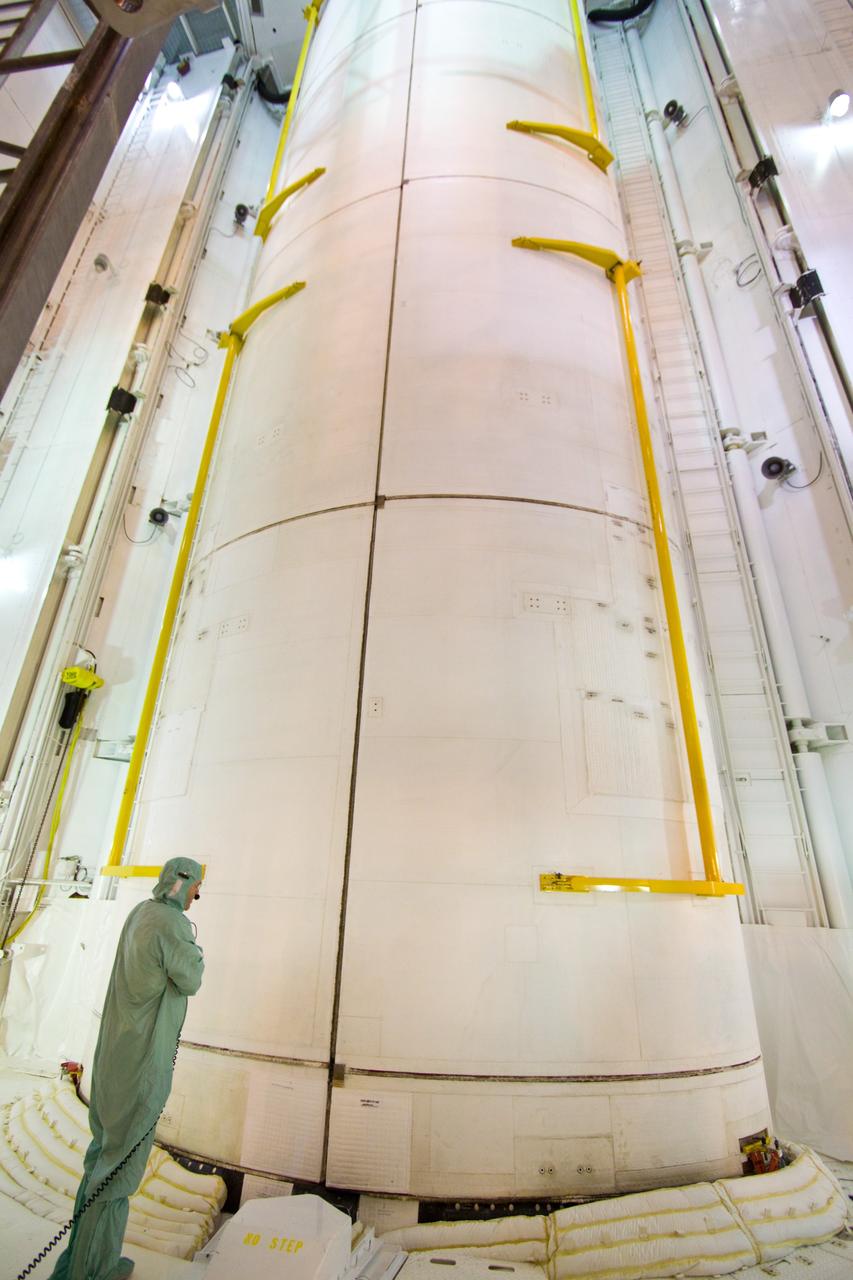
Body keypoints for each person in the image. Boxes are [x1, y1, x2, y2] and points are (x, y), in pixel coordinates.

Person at [51, 857, 205, 1280]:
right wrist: (197, 950)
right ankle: (93, 1272)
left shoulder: (140, 912)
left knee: (101, 1159)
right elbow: (190, 978)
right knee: (118, 1173)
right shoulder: (172, 925)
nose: (197, 896)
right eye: (196, 888)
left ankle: (78, 1262)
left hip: (113, 1060)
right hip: (141, 1067)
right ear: (183, 883)